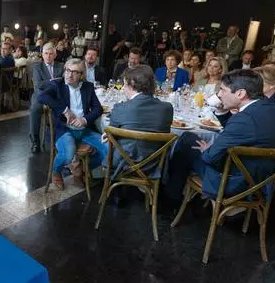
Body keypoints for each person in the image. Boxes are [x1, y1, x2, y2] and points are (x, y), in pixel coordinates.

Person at [165, 70, 275, 202]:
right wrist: (222, 112)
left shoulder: (244, 119)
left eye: (222, 90)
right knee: (193, 140)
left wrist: (209, 149)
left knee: (187, 140)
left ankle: (171, 197)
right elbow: (245, 131)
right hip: (264, 179)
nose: (219, 95)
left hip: (234, 182)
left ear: (240, 93)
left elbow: (210, 158)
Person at [38, 58, 106, 189]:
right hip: (65, 130)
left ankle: (82, 168)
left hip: (84, 129)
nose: (69, 74)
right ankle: (56, 171)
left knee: (108, 147)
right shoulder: (57, 85)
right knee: (68, 154)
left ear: (81, 75)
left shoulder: (88, 87)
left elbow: (98, 109)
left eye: (74, 72)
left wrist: (84, 119)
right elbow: (41, 97)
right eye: (67, 70)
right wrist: (65, 110)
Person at [107, 65, 173, 178]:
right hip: (154, 166)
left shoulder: (120, 108)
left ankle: (113, 189)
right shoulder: (167, 108)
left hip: (123, 165)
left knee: (103, 144)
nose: (122, 88)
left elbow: (110, 134)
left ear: (132, 84)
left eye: (124, 84)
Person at [29, 43, 64, 153]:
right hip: (40, 95)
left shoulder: (61, 66)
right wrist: (54, 82)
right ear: (42, 55)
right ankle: (35, 141)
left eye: (51, 54)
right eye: (46, 53)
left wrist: (48, 83)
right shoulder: (37, 67)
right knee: (35, 109)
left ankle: (60, 140)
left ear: (55, 54)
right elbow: (38, 85)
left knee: (65, 106)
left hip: (57, 96)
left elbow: (64, 83)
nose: (48, 56)